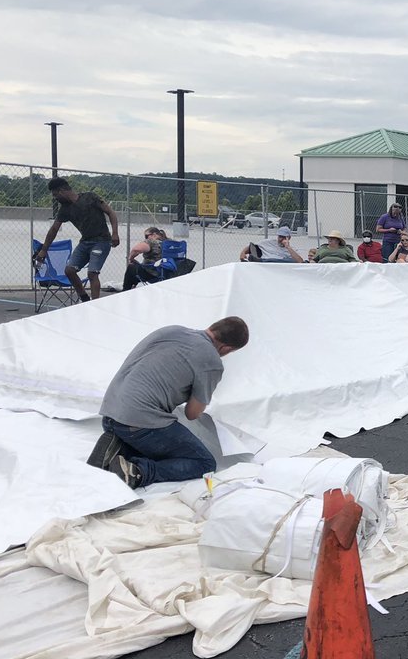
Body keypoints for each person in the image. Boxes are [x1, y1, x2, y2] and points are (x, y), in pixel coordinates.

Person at [88, 317, 249, 488]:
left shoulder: (172, 330)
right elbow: (192, 413)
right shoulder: (211, 361)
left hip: (110, 413)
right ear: (226, 348)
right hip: (138, 424)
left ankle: (118, 446)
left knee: (156, 444)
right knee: (204, 462)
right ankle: (135, 472)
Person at [34, 177, 121, 302]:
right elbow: (54, 230)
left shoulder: (90, 197)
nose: (55, 198)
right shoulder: (65, 209)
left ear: (62, 191)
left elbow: (111, 212)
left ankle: (95, 304)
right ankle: (85, 298)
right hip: (85, 242)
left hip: (101, 241)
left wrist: (115, 233)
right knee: (69, 271)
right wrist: (43, 250)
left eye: (55, 194)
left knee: (92, 273)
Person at [240, 226, 304, 262]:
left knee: (290, 261)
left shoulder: (292, 250)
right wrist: (243, 253)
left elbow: (300, 261)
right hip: (264, 262)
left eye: (283, 237)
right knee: (252, 257)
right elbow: (252, 247)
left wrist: (288, 247)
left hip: (278, 265)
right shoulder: (268, 242)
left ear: (289, 238)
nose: (280, 239)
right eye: (279, 236)